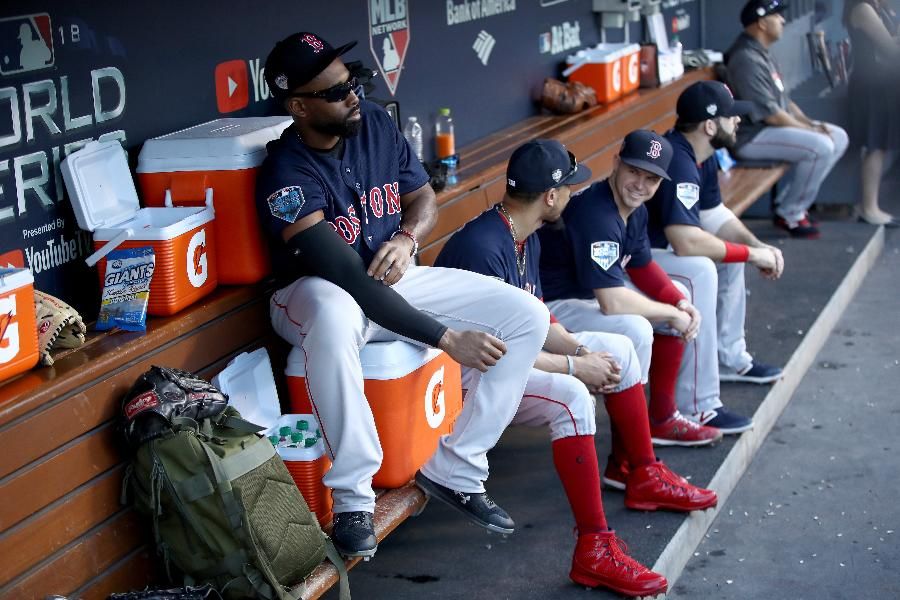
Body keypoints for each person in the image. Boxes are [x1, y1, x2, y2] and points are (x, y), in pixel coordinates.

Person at [257, 32, 550, 558]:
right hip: (316, 290)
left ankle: (457, 469)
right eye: (335, 91)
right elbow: (349, 279)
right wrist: (446, 338)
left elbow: (422, 197)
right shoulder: (285, 172)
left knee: (527, 315)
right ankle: (352, 498)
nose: (352, 95)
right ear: (298, 106)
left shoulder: (372, 121)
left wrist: (407, 236)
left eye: (353, 81)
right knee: (330, 319)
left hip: (393, 272)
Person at [436, 139, 719, 596]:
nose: (573, 194)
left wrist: (579, 351)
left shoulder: (522, 234)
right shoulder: (484, 247)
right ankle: (594, 547)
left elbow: (537, 318)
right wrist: (573, 367)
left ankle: (641, 470)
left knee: (620, 350)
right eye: (567, 187)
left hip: (505, 360)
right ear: (549, 196)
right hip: (465, 376)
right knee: (571, 400)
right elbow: (497, 352)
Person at [539, 130, 754, 435]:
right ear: (617, 163)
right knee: (635, 329)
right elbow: (612, 302)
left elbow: (641, 266)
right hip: (555, 307)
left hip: (584, 297)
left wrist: (678, 302)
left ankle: (661, 417)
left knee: (676, 297)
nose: (640, 185)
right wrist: (671, 313)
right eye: (634, 172)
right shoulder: (597, 214)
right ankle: (631, 445)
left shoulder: (633, 209)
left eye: (651, 179)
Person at [646, 80, 785, 386]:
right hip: (638, 261)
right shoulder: (679, 162)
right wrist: (751, 254)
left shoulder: (702, 154)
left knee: (728, 257)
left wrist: (757, 245)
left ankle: (729, 357)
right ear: (709, 126)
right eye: (730, 115)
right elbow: (685, 241)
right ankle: (698, 394)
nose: (737, 120)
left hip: (661, 253)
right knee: (703, 268)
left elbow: (713, 214)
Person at [726, 0, 849, 239]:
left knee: (838, 137)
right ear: (761, 23)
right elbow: (772, 115)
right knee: (820, 146)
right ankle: (790, 213)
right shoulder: (745, 59)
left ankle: (790, 203)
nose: (783, 20)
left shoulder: (760, 52)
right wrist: (810, 131)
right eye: (777, 16)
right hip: (750, 137)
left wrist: (811, 123)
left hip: (770, 131)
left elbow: (785, 101)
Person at [844, 0, 900, 226]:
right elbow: (889, 48)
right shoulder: (862, 9)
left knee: (881, 145)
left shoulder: (880, 7)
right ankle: (869, 207)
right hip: (871, 85)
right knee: (875, 144)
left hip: (882, 83)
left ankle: (870, 205)